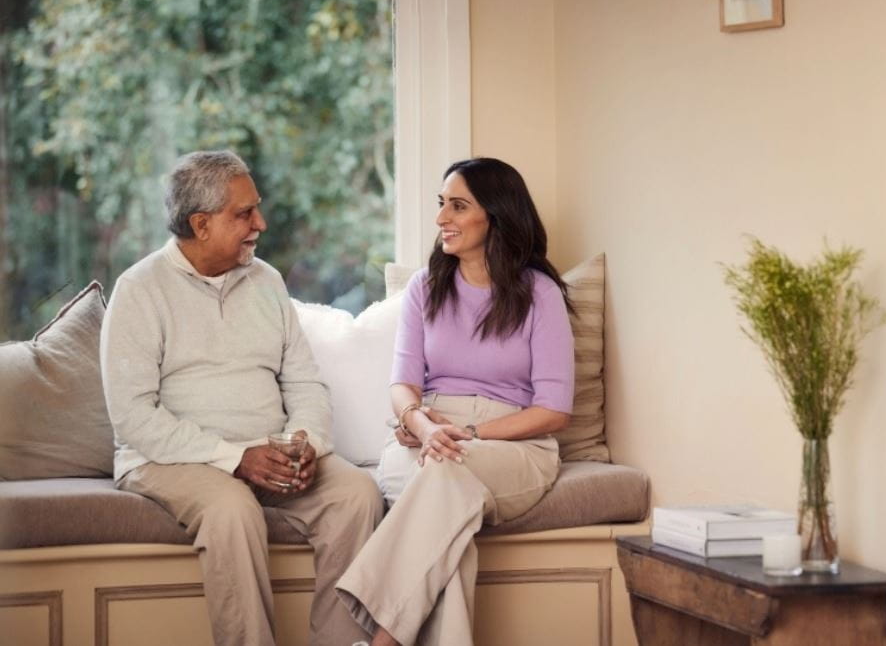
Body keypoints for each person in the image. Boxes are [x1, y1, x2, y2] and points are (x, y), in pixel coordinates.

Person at [100, 150, 384, 646]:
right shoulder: (139, 290)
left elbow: (304, 382)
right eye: (244, 213)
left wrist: (306, 442)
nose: (261, 223)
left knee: (357, 494)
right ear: (201, 224)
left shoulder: (267, 281)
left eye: (257, 208)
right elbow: (133, 417)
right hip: (169, 460)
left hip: (266, 450)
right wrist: (236, 459)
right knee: (232, 509)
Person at [335, 158, 575, 646]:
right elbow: (402, 384)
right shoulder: (426, 286)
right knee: (449, 525)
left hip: (510, 444)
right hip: (424, 435)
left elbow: (553, 410)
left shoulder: (539, 293)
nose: (442, 217)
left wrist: (466, 435)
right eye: (441, 204)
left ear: (497, 216)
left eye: (458, 205)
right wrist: (420, 425)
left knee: (444, 482)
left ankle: (380, 640)